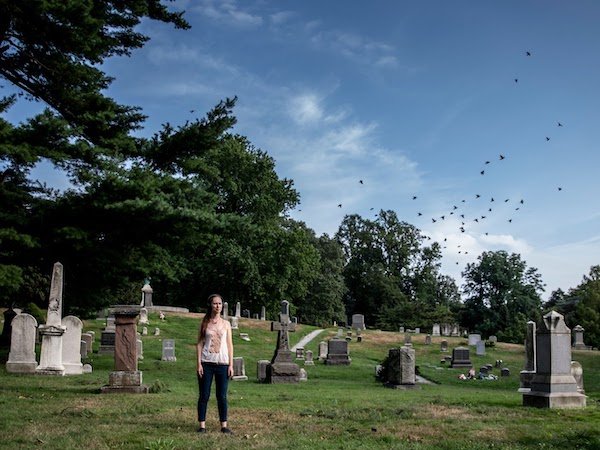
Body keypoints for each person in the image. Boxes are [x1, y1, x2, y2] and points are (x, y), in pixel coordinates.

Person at [196, 294, 234, 434]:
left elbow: (230, 345)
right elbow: (199, 344)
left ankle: (224, 426)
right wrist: (199, 364)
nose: (218, 306)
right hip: (206, 363)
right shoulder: (204, 323)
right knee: (204, 395)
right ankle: (202, 426)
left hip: (222, 364)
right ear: (210, 305)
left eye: (220, 303)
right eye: (215, 303)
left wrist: (230, 365)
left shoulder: (226, 324)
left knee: (222, 396)